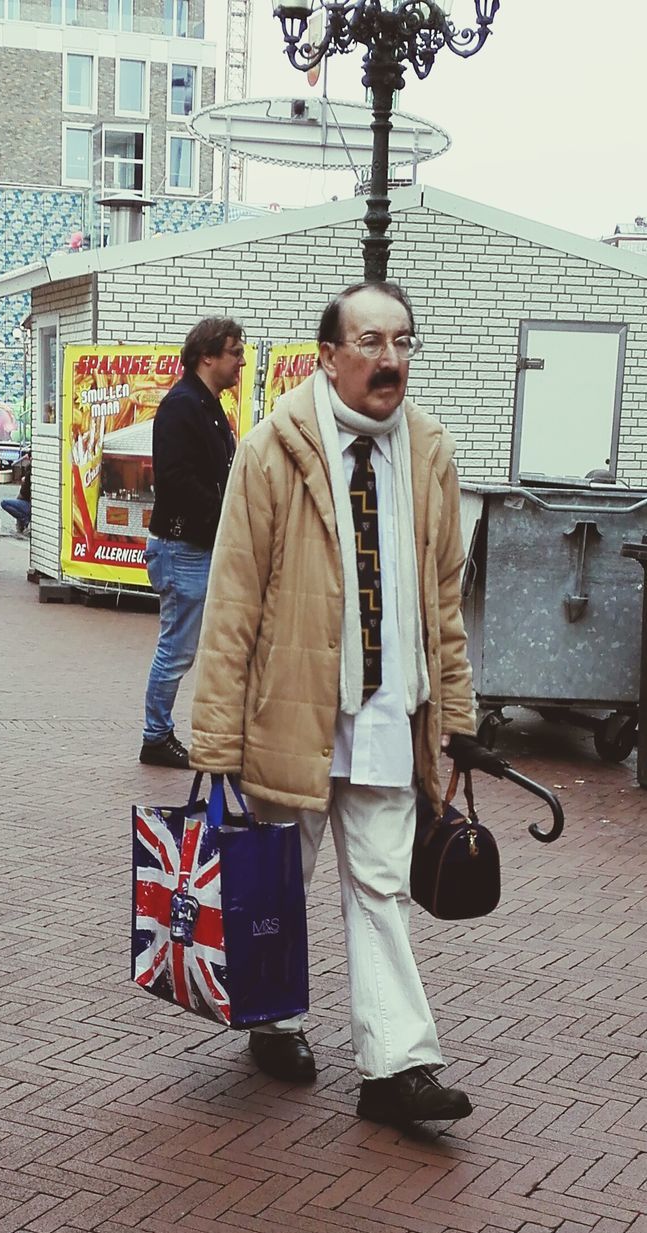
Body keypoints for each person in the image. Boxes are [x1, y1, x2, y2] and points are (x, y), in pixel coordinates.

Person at [190, 282, 478, 1129]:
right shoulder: (275, 447)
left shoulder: (428, 450)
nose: (388, 360)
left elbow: (444, 602)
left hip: (392, 710)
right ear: (328, 355)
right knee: (281, 879)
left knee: (382, 886)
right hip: (291, 709)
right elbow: (233, 594)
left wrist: (454, 712)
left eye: (401, 342)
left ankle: (397, 1067)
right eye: (369, 342)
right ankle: (275, 1020)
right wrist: (214, 732)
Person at [139, 316, 246, 769]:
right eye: (235, 352)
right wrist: (226, 513)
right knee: (177, 648)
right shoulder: (184, 405)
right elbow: (177, 480)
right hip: (183, 548)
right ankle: (156, 736)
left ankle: (161, 733)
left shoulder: (204, 403)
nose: (241, 361)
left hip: (194, 546)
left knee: (182, 646)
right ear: (207, 357)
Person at [0, 455, 31, 534]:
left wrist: (23, 483)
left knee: (4, 503)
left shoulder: (29, 473)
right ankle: (23, 523)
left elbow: (24, 492)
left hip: (28, 504)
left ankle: (25, 519)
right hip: (30, 503)